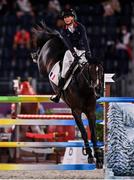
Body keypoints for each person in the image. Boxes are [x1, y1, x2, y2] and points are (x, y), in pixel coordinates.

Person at [50, 9, 93, 103]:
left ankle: (95, 91)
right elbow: (68, 44)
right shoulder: (63, 30)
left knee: (90, 69)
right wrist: (73, 54)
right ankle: (59, 93)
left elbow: (85, 40)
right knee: (64, 71)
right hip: (70, 52)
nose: (67, 19)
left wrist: (88, 52)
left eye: (69, 16)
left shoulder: (80, 27)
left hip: (82, 51)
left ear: (73, 17)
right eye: (65, 17)